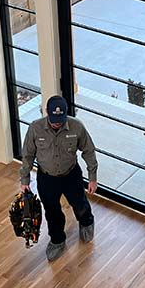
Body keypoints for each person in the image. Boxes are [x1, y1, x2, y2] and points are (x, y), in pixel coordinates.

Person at [20, 95, 98, 262]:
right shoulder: (35, 128)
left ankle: (86, 222)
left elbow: (88, 151)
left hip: (71, 175)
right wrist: (25, 180)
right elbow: (27, 155)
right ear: (47, 111)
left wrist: (92, 177)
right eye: (54, 119)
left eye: (60, 119)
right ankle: (57, 240)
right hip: (46, 178)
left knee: (80, 204)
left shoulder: (76, 127)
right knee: (52, 211)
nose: (57, 123)